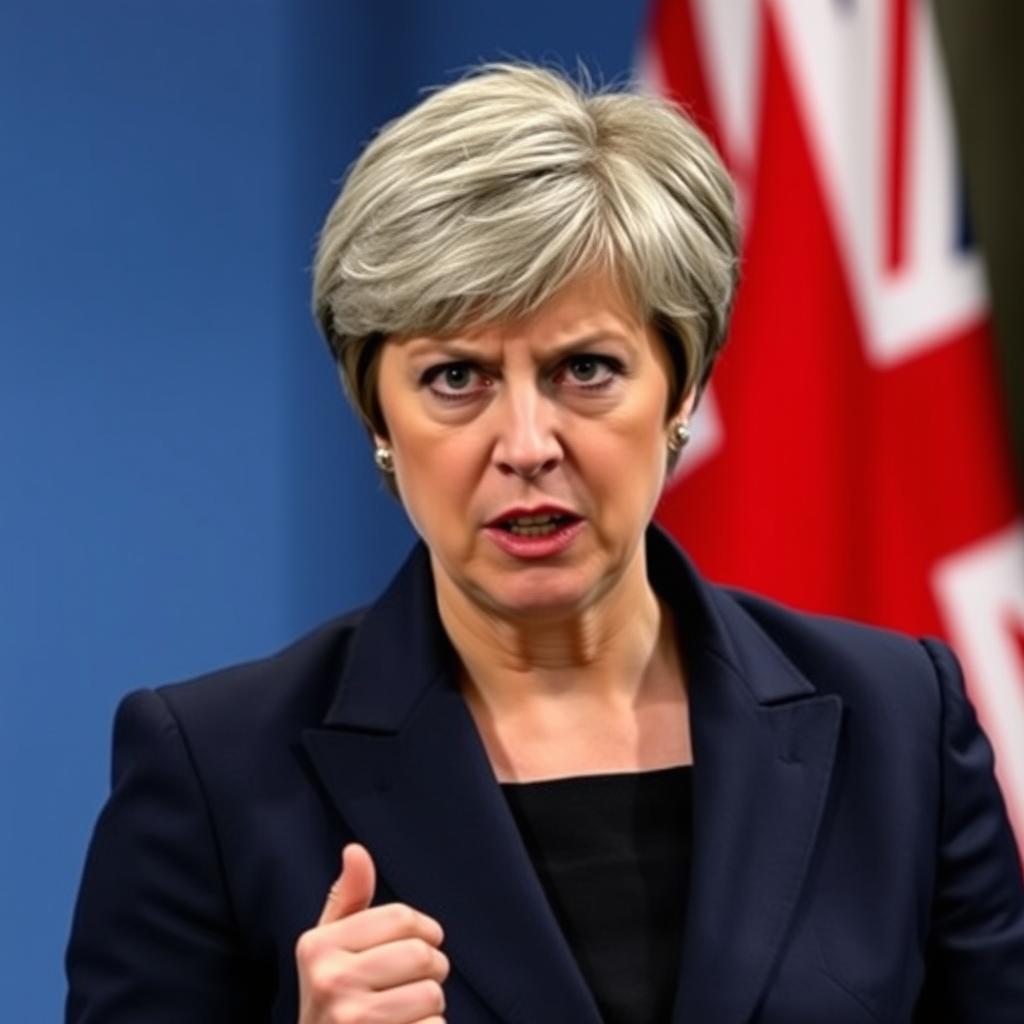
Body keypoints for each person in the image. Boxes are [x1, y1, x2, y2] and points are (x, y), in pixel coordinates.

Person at [65, 63, 1024, 1024]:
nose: (527, 446)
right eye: (454, 379)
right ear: (376, 413)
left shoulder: (899, 726)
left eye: (587, 369)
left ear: (682, 390)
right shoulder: (215, 768)